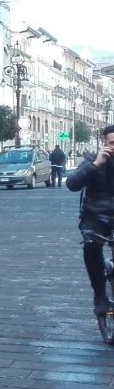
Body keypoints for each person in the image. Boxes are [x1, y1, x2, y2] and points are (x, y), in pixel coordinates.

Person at [67, 125, 114, 317]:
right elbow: (72, 184)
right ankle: (100, 295)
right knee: (92, 246)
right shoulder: (93, 160)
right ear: (104, 144)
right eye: (111, 143)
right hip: (96, 215)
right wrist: (96, 164)